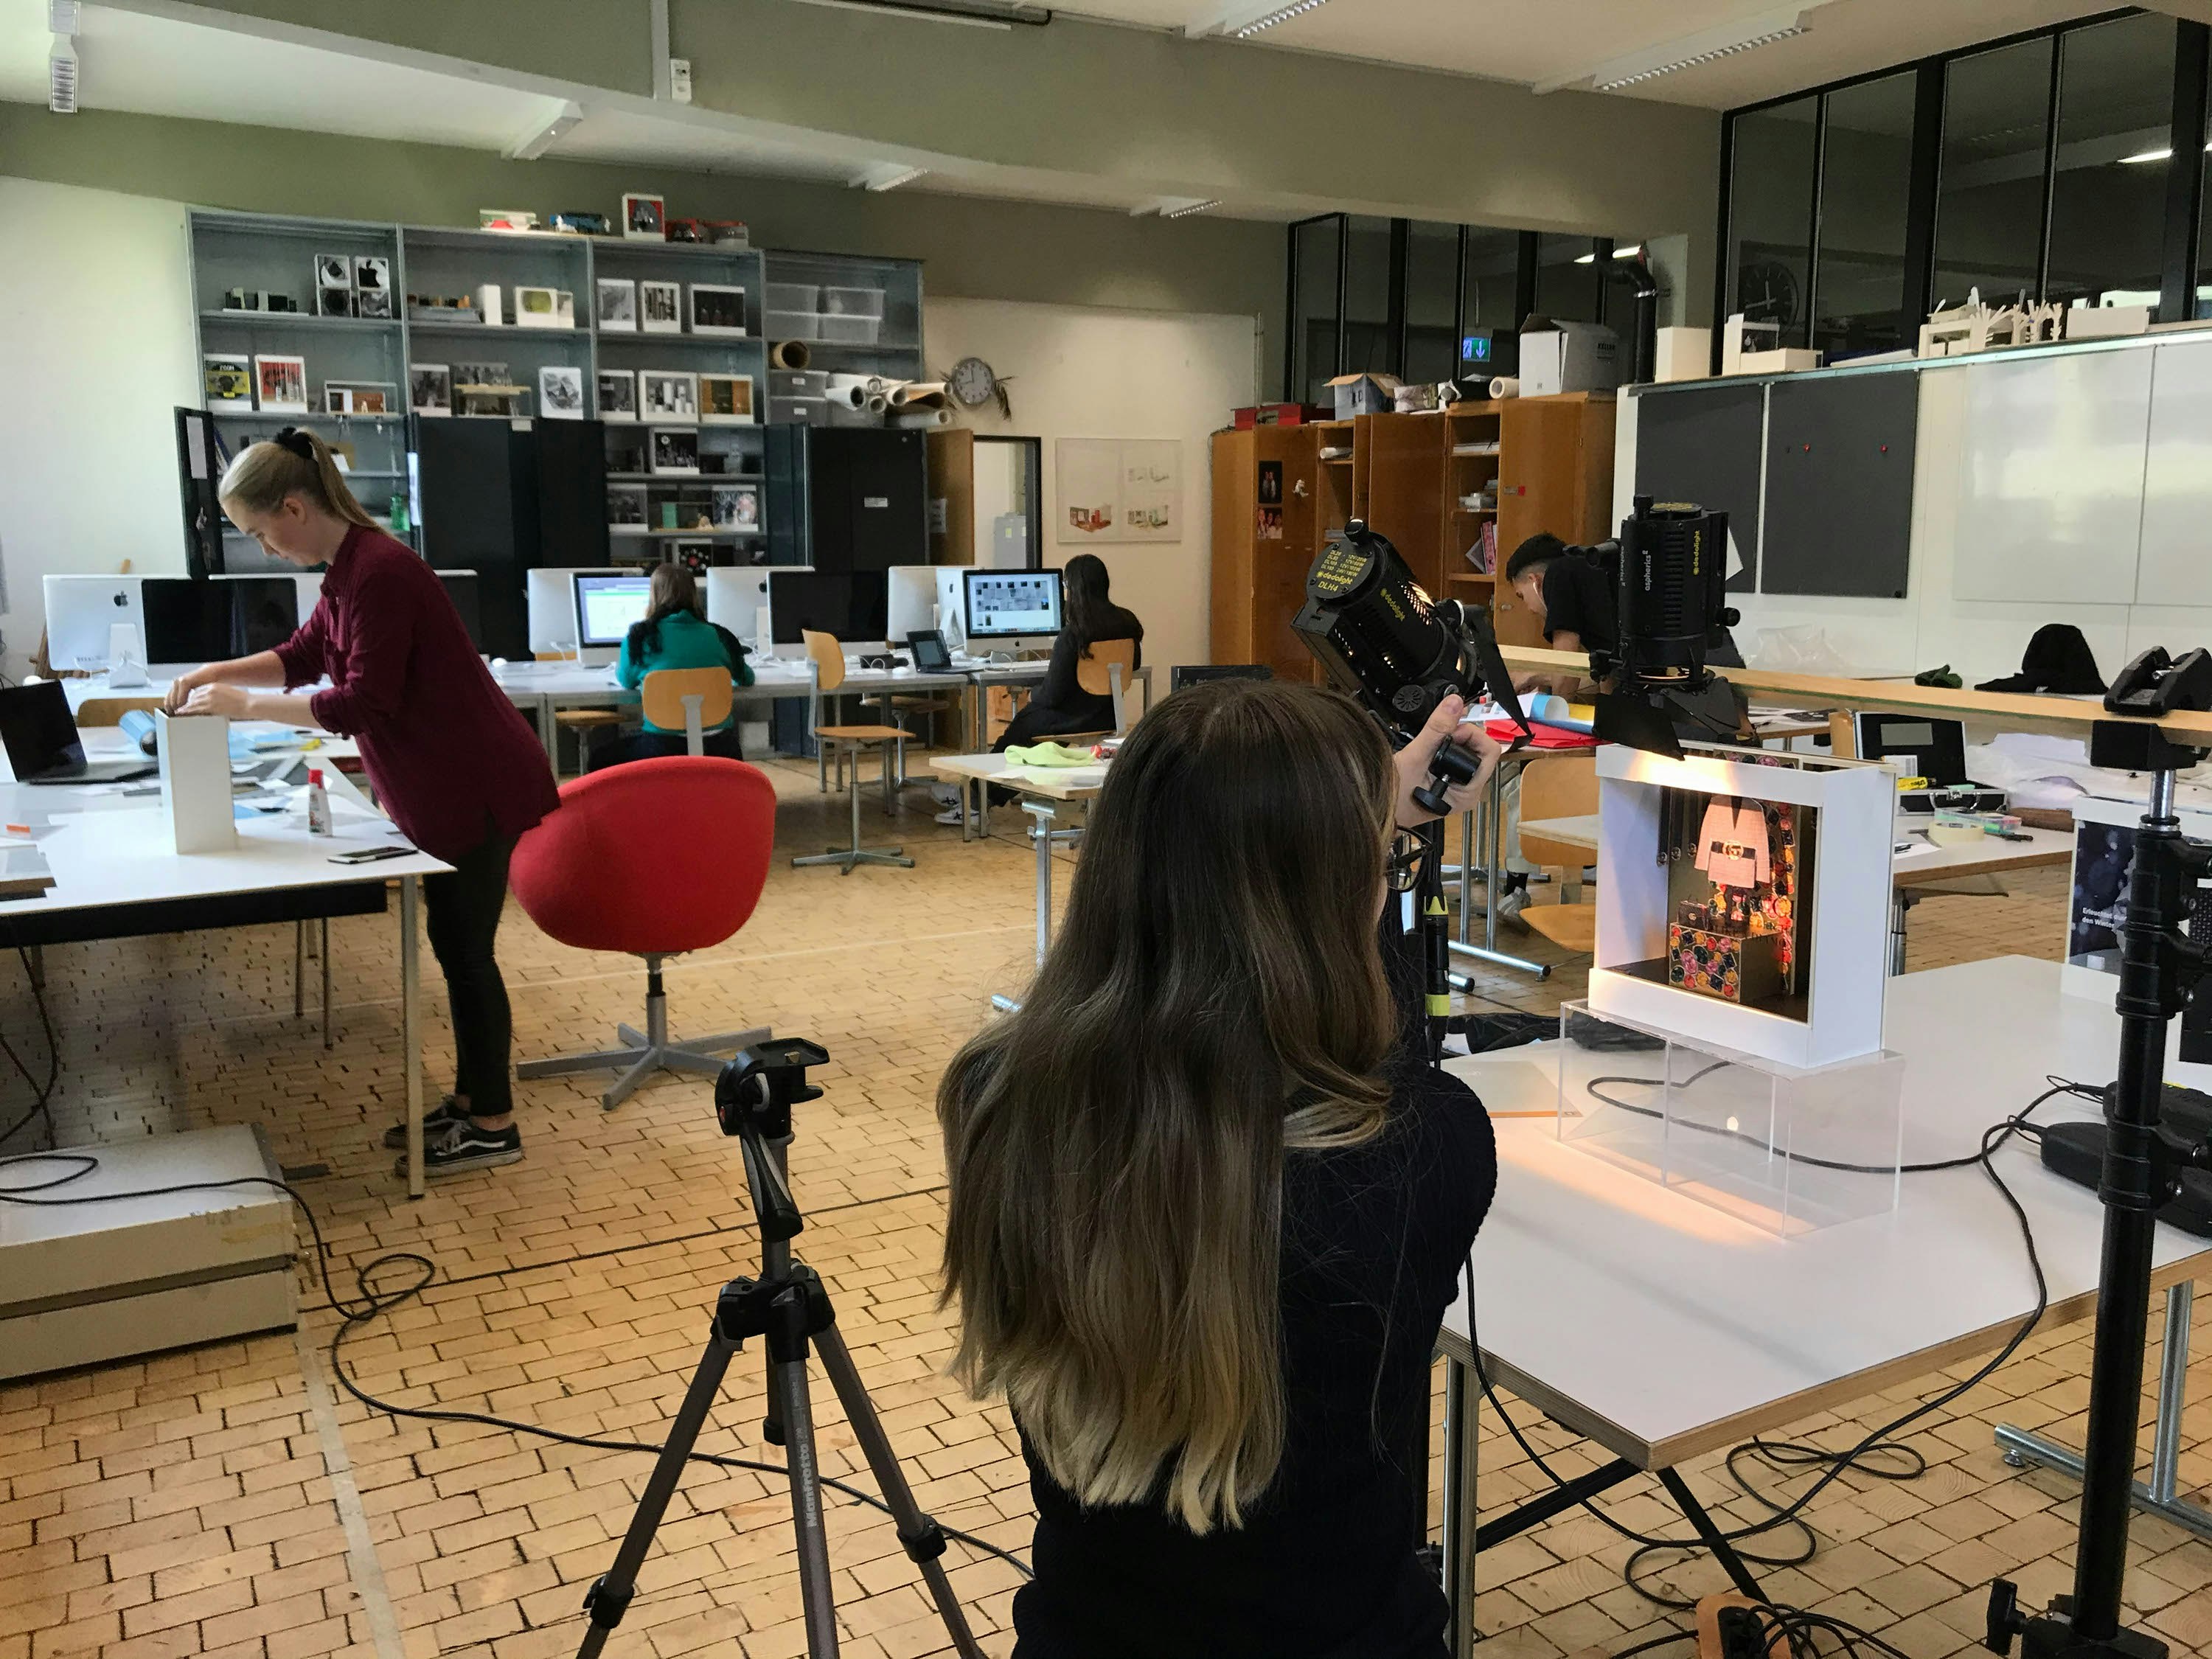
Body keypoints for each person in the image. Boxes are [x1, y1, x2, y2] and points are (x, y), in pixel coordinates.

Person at [937, 680, 1503, 1658]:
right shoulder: (1424, 1146)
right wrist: (1388, 856)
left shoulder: (996, 1097)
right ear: (1347, 897)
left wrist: (1365, 820)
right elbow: (1382, 1063)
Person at [165, 428, 560, 1178]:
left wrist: (244, 706)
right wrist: (220, 670)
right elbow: (307, 654)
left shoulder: (381, 572)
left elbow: (360, 704)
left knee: (468, 956)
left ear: (293, 506)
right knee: (456, 950)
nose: (264, 550)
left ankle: (494, 1122)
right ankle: (475, 1097)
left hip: (471, 785)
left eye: (260, 533)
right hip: (440, 785)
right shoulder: (347, 570)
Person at [599, 561, 754, 766]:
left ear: (653, 595)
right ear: (694, 595)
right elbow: (747, 678)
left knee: (600, 758)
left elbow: (626, 680)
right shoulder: (720, 636)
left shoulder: (641, 637)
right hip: (720, 747)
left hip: (661, 748)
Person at [995, 552, 1143, 748]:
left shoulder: (1074, 634)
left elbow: (1052, 696)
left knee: (1022, 724)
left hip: (1069, 721)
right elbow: (1135, 665)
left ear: (1072, 589)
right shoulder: (1127, 622)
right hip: (1109, 717)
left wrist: (1032, 693)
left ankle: (986, 779)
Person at [1505, 532, 1615, 700]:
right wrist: (1537, 676)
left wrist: (1553, 716)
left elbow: (1567, 671)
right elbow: (1604, 678)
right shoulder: (1588, 576)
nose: (1529, 609)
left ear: (1535, 580)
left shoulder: (1558, 574)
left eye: (1522, 596)